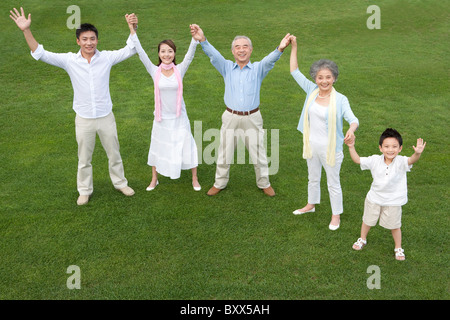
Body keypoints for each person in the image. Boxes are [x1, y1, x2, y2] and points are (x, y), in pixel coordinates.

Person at [9, 7, 137, 205]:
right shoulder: (69, 60)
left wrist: (133, 27)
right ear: (78, 41)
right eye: (84, 39)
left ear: (97, 40)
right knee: (84, 158)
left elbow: (130, 48)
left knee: (114, 153)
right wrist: (26, 30)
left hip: (106, 116)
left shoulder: (107, 58)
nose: (89, 43)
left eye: (92, 38)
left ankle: (120, 183)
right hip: (84, 118)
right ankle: (84, 190)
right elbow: (40, 53)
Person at [189, 24, 291, 197]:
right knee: (224, 152)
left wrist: (280, 48)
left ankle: (264, 183)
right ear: (233, 51)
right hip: (230, 117)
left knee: (259, 153)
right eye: (237, 47)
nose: (241, 50)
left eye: (245, 47)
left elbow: (270, 60)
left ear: (250, 50)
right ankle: (219, 183)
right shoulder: (227, 67)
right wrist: (203, 40)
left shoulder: (258, 69)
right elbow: (215, 56)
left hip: (253, 117)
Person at [289, 35, 359, 230]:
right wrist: (294, 46)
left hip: (332, 149)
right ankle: (311, 205)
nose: (324, 81)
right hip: (311, 145)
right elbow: (294, 71)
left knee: (332, 182)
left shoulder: (341, 99)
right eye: (320, 77)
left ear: (334, 78)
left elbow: (354, 120)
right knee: (312, 177)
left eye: (328, 77)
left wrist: (351, 130)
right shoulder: (311, 90)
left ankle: (336, 215)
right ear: (315, 78)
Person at [124, 16, 201, 192]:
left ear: (174, 54)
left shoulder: (180, 70)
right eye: (163, 51)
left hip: (179, 116)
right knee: (158, 146)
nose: (166, 54)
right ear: (159, 54)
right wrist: (132, 29)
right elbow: (140, 51)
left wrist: (194, 38)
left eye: (170, 51)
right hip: (161, 118)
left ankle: (194, 178)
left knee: (187, 145)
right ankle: (154, 179)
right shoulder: (154, 71)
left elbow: (190, 55)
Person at [346, 128, 426, 261]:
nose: (390, 150)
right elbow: (357, 160)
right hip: (374, 199)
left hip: (394, 201)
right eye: (387, 146)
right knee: (367, 221)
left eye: (394, 146)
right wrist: (351, 146)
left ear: (400, 148)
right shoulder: (374, 160)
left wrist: (417, 153)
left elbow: (412, 160)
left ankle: (398, 248)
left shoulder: (401, 161)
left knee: (395, 226)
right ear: (380, 148)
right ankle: (362, 239)